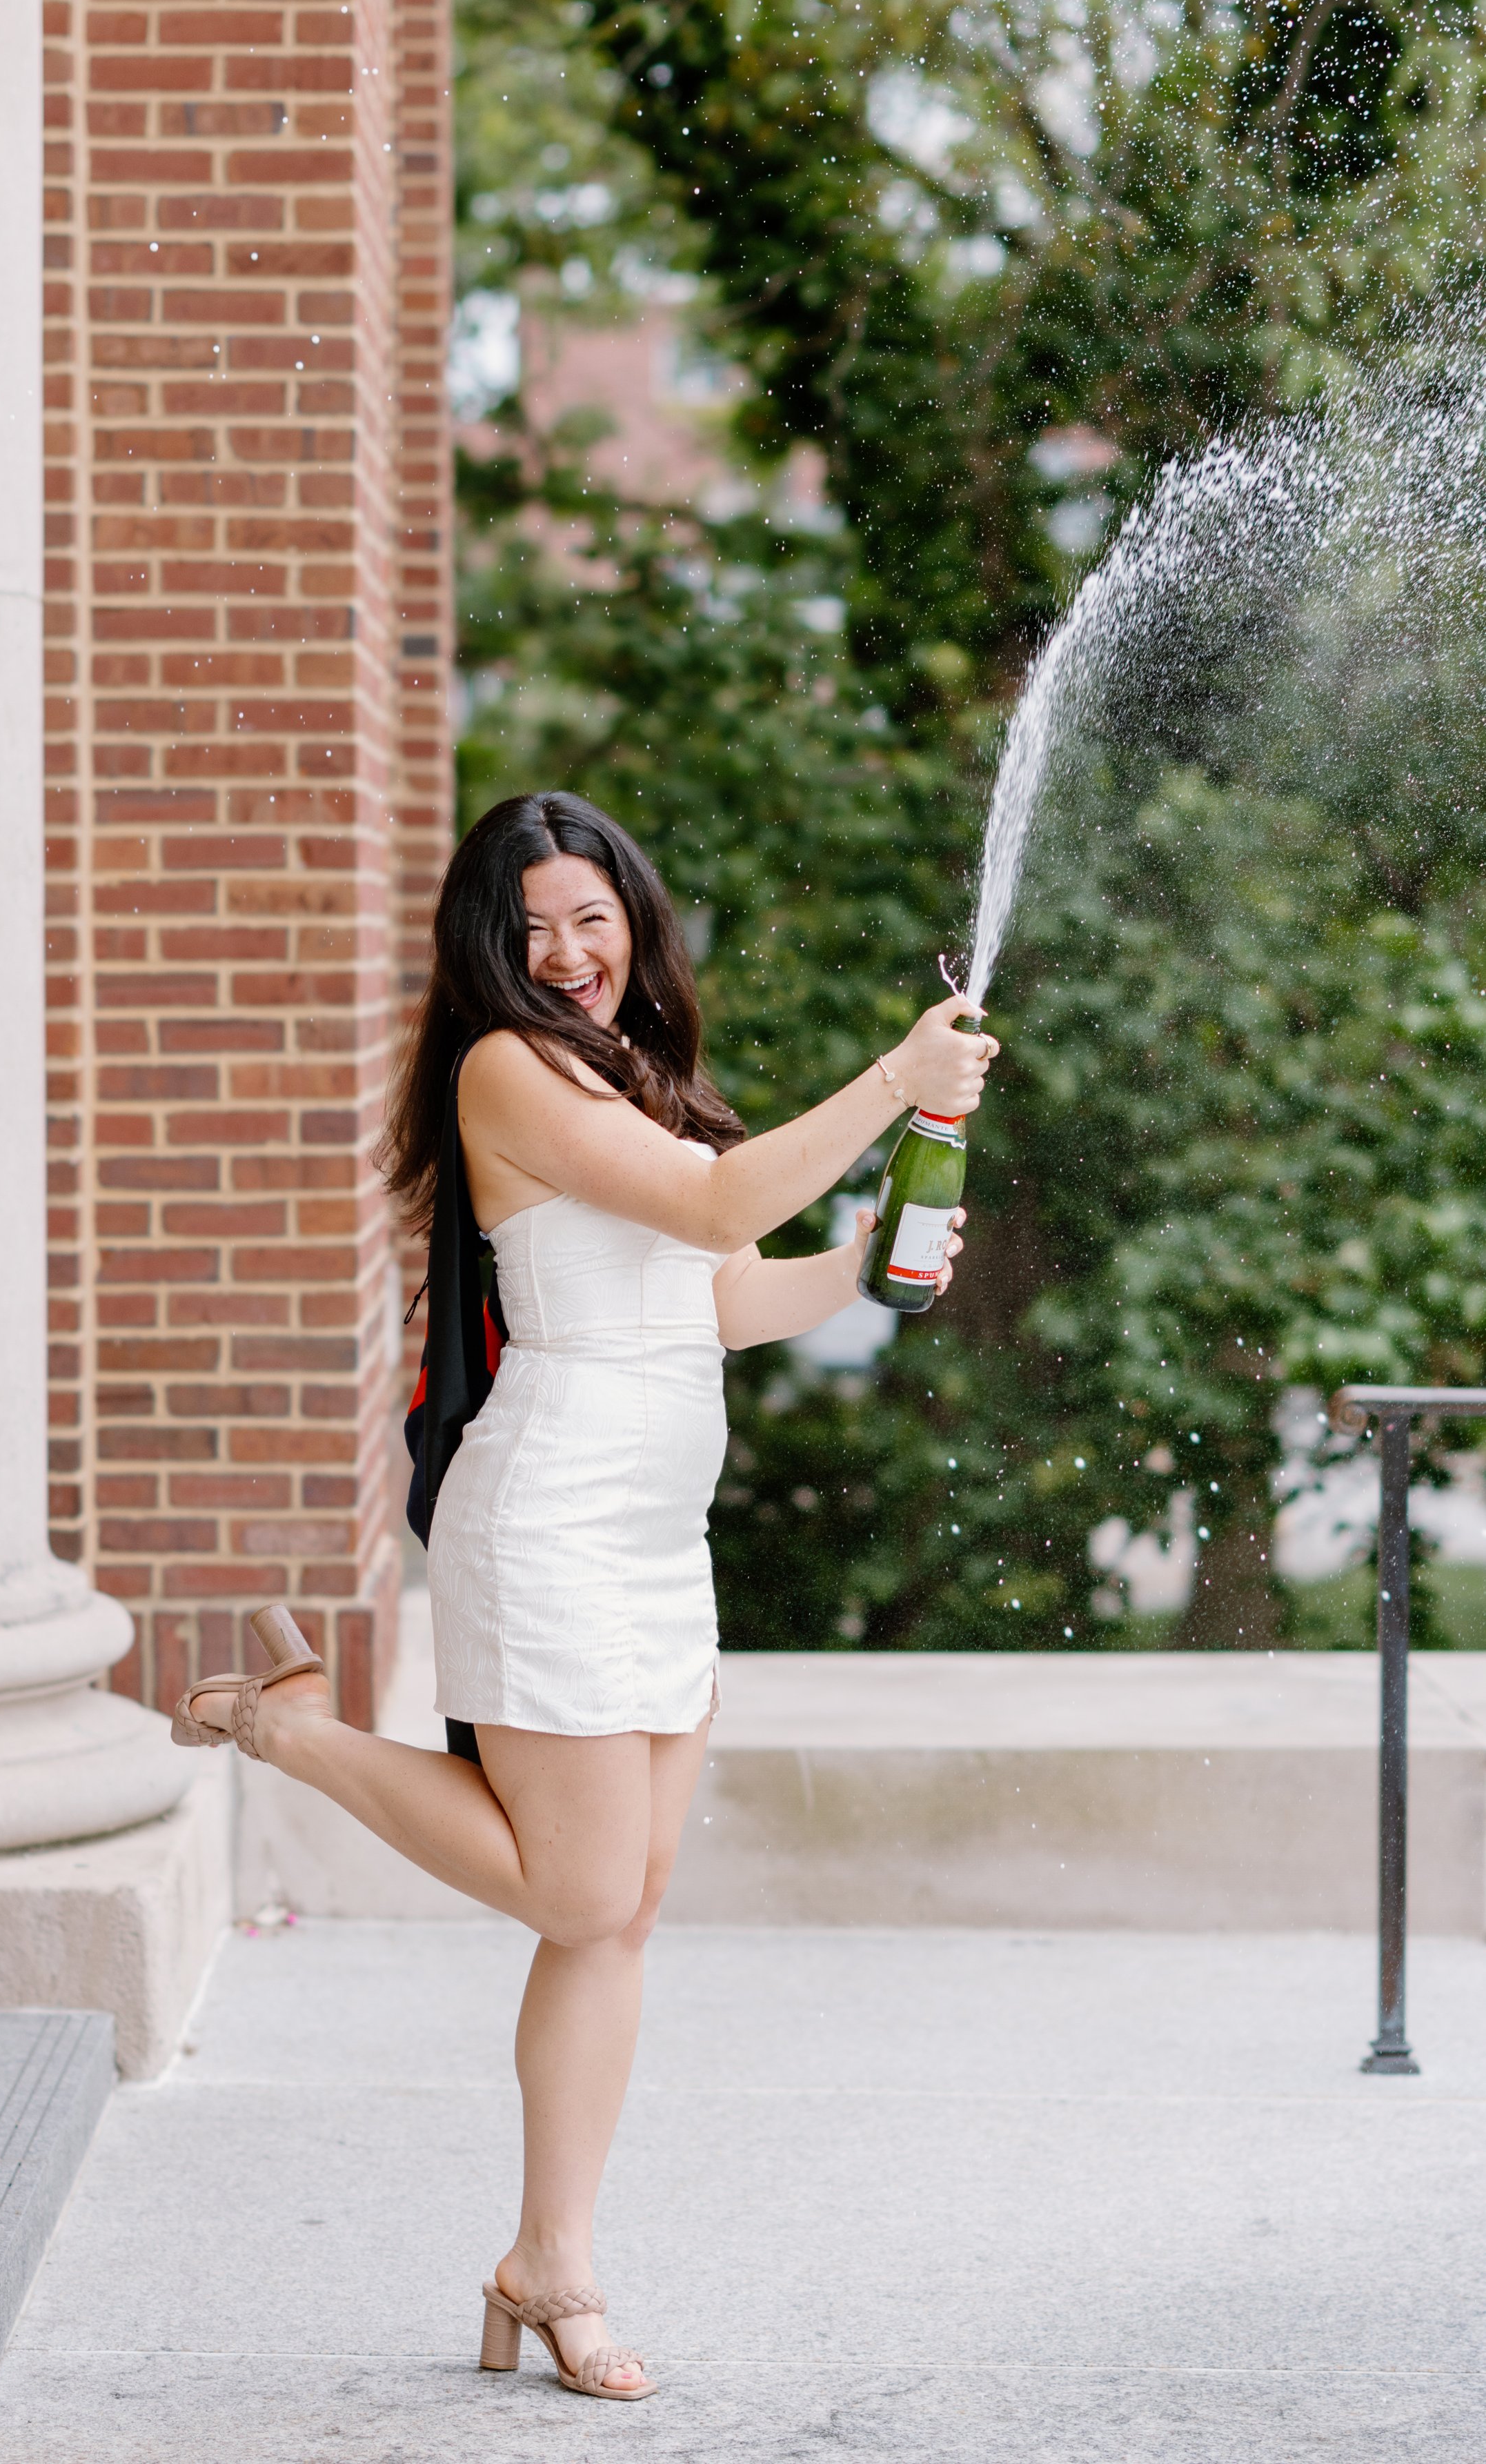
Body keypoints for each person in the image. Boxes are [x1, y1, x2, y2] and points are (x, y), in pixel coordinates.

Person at [173, 791, 995, 2402]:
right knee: (574, 1893)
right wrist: (894, 1082)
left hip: (649, 1535)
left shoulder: (637, 1080)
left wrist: (872, 1261)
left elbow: (724, 1289)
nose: (563, 954)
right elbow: (706, 1207)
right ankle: (290, 1732)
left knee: (618, 1911)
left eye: (588, 918)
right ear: (494, 950)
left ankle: (549, 2263)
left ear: (633, 916)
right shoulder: (503, 1068)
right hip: (542, 1518)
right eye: (529, 929)